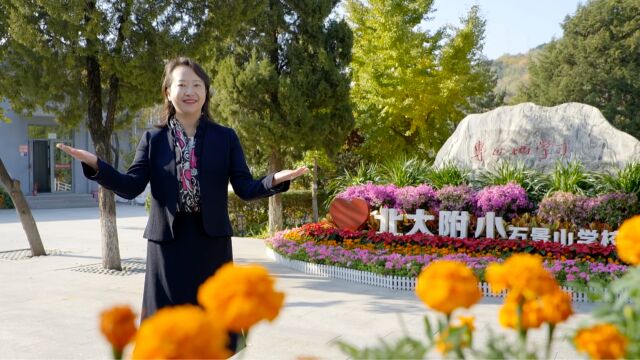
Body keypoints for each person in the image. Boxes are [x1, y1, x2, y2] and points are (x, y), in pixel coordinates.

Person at [57, 57, 307, 335]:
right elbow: (130, 186)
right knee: (169, 330)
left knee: (213, 327)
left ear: (206, 92)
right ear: (168, 92)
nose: (190, 91)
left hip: (211, 244)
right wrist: (96, 166)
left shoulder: (225, 137)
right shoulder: (153, 139)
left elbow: (245, 188)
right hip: (167, 245)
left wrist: (274, 180)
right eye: (182, 84)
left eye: (197, 85)